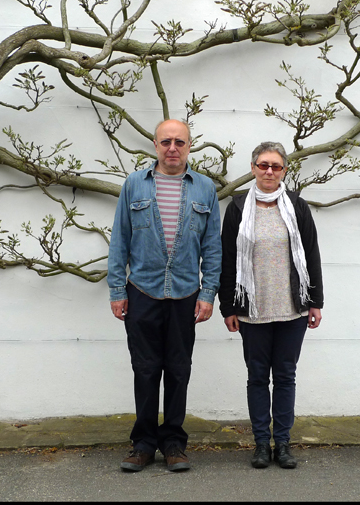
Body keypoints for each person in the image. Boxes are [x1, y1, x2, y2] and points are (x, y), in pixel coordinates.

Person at [108, 119, 222, 473]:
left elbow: (212, 247)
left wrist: (208, 293)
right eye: (166, 142)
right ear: (155, 145)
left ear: (190, 146)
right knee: (144, 370)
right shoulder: (134, 185)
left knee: (178, 370)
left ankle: (173, 443)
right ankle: (142, 444)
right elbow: (120, 240)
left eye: (180, 142)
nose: (173, 148)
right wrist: (116, 289)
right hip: (142, 291)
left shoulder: (205, 189)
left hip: (186, 294)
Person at [219, 141, 323, 469]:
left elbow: (311, 253)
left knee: (286, 376)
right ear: (253, 168)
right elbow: (227, 259)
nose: (268, 171)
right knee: (257, 376)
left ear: (284, 171)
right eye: (263, 165)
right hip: (253, 309)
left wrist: (316, 302)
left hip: (292, 308)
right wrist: (228, 307)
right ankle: (262, 444)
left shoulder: (296, 206)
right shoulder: (237, 208)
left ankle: (284, 444)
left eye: (275, 166)